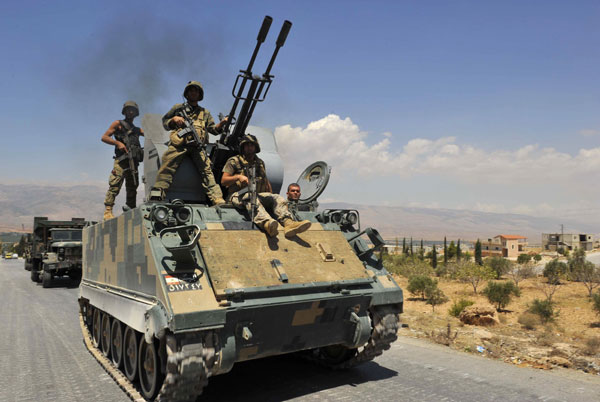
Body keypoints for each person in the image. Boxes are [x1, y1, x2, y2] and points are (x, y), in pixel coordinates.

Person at [150, 81, 227, 205]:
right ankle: (158, 194)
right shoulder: (178, 108)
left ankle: (217, 198)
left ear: (200, 94)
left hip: (197, 147)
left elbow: (213, 130)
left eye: (196, 91)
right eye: (191, 90)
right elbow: (165, 123)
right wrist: (174, 119)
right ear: (186, 93)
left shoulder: (205, 113)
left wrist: (222, 123)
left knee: (207, 171)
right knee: (167, 167)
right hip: (179, 145)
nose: (193, 92)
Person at [221, 135, 311, 238]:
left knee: (277, 197)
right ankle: (267, 224)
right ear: (243, 147)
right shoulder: (234, 161)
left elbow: (265, 181)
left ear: (256, 147)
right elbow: (223, 181)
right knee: (251, 197)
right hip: (237, 196)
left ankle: (288, 223)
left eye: (252, 145)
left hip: (257, 194)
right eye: (247, 145)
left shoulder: (259, 163)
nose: (249, 147)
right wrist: (238, 177)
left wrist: (270, 197)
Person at [101, 101, 144, 220]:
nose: (130, 112)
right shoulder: (118, 124)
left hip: (133, 162)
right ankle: (108, 211)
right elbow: (104, 137)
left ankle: (130, 210)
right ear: (124, 112)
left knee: (133, 186)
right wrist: (117, 143)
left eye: (133, 110)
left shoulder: (137, 130)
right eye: (128, 110)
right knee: (115, 184)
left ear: (136, 113)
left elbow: (151, 135)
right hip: (121, 161)